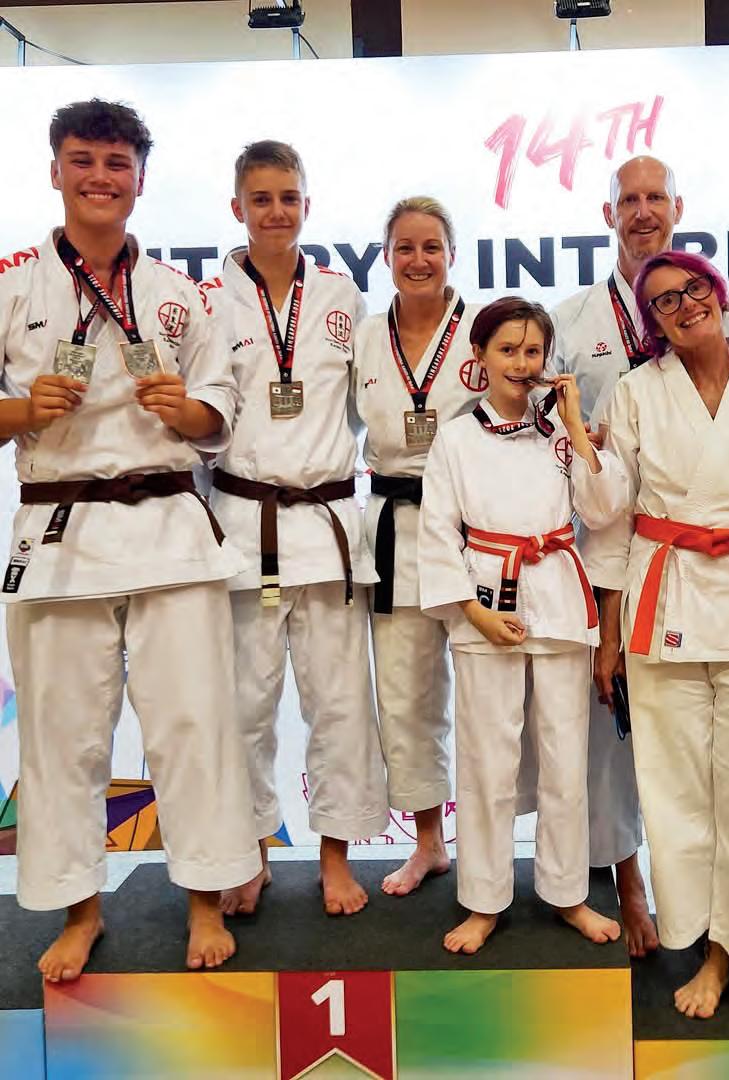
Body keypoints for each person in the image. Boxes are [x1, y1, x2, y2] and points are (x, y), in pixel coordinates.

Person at [0, 99, 261, 979]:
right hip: (60, 533)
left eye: (117, 163)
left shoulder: (181, 295)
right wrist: (19, 411)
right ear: (55, 171)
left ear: (141, 180)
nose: (100, 177)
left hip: (168, 528)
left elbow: (220, 409)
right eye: (83, 160)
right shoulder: (12, 284)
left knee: (194, 722)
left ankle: (204, 898)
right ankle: (82, 910)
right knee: (63, 735)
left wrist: (186, 412)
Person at [548, 155, 729, 957]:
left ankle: (718, 915)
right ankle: (629, 881)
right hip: (608, 553)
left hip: (706, 563)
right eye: (628, 200)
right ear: (607, 214)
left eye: (654, 198)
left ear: (678, 207)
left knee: (704, 748)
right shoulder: (572, 320)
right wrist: (581, 441)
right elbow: (546, 436)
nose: (642, 211)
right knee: (609, 734)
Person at [587, 250, 729, 1028]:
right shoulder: (636, 392)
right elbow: (612, 517)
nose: (684, 306)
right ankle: (711, 952)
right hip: (666, 603)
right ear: (653, 323)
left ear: (718, 292)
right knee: (680, 797)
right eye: (663, 301)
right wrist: (608, 635)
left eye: (692, 290)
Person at [203, 140, 388, 917]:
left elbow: (369, 404)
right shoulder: (209, 300)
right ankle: (250, 853)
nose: (276, 212)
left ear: (307, 206)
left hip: (328, 526)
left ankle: (335, 857)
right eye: (261, 198)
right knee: (244, 707)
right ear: (237, 207)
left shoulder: (343, 296)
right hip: (244, 527)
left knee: (340, 704)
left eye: (288, 198)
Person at [418, 296, 628, 954]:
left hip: (558, 599)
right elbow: (437, 533)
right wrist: (474, 612)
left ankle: (567, 894)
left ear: (548, 359)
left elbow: (605, 509)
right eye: (507, 349)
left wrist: (578, 426)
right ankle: (484, 900)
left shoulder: (562, 432)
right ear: (479, 356)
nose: (520, 362)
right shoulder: (455, 438)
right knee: (489, 758)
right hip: (487, 600)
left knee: (566, 756)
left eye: (532, 350)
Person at [354, 196, 487, 896]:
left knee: (489, 693)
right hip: (392, 526)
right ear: (386, 257)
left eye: (431, 246)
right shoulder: (363, 338)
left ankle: (491, 846)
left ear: (452, 255)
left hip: (473, 529)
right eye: (404, 247)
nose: (418, 259)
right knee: (406, 694)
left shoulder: (484, 332)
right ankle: (429, 842)